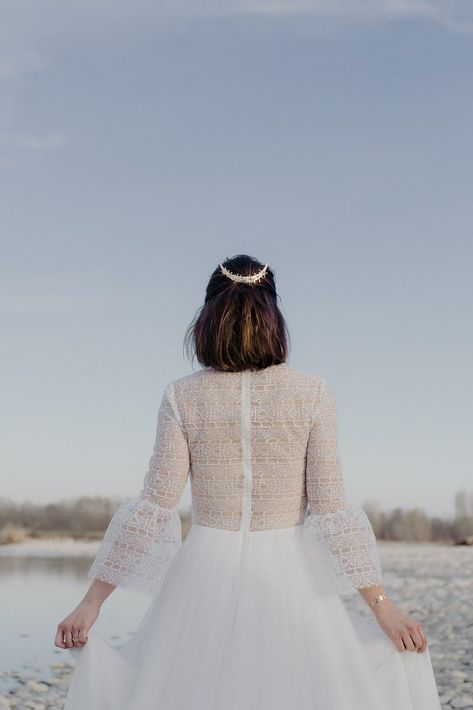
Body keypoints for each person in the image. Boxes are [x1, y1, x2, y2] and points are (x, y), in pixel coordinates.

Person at [55, 254, 442, 709]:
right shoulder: (312, 392)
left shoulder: (182, 395)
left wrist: (91, 602)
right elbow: (330, 509)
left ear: (207, 316)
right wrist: (383, 606)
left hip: (203, 574)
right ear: (273, 313)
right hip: (290, 578)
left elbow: (155, 506)